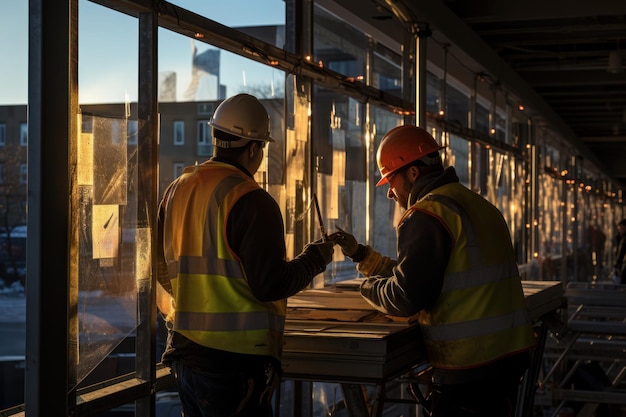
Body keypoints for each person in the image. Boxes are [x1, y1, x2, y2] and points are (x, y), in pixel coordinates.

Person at [331, 125, 536, 417]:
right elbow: (433, 273)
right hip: (506, 356)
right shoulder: (477, 204)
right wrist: (361, 256)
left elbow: (406, 296)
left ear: (413, 173)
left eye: (391, 179)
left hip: (471, 365)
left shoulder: (427, 214)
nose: (389, 192)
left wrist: (364, 288)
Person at [156, 93, 335, 417]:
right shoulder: (252, 200)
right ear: (254, 148)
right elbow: (270, 284)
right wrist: (316, 258)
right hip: (234, 364)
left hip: (185, 355)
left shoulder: (176, 190)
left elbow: (159, 270)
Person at [613, 219, 626, 284]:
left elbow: (621, 253)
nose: (619, 230)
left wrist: (617, 264)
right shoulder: (621, 238)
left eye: (620, 228)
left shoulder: (624, 239)